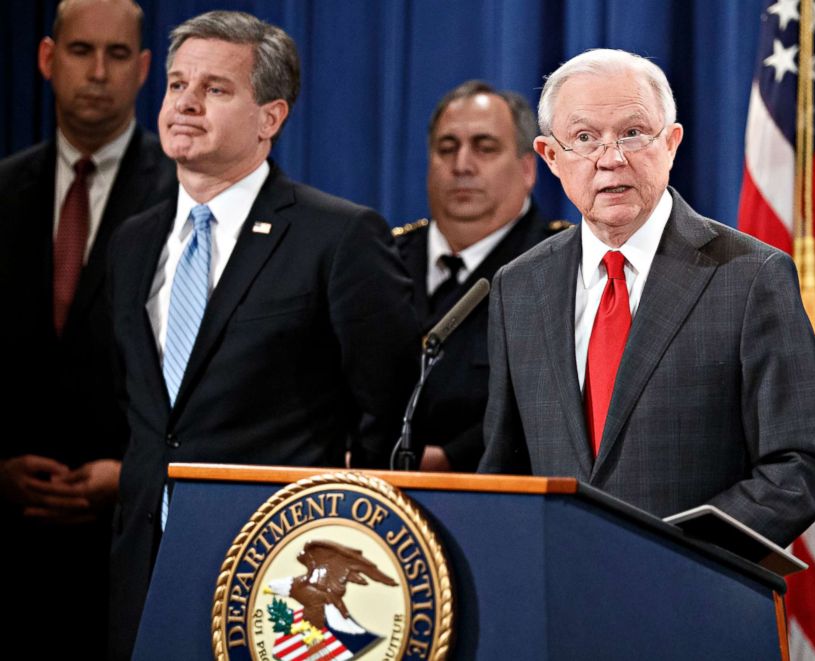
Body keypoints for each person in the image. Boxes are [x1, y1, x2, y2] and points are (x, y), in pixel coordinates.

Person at [106, 11, 420, 657]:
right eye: (175, 84)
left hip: (275, 565)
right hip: (142, 557)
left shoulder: (337, 235)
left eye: (216, 89)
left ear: (270, 117)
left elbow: (390, 402)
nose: (186, 103)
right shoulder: (133, 241)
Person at [479, 49, 815, 547]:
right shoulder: (518, 287)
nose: (611, 158)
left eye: (633, 133)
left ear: (671, 144)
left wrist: (677, 553)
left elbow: (800, 467)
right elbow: (504, 470)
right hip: (559, 599)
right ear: (550, 157)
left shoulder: (751, 277)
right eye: (585, 138)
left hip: (694, 596)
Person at [0, 0, 174, 652]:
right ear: (47, 59)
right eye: (81, 51)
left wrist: (130, 474)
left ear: (145, 69)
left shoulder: (187, 199)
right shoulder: (4, 189)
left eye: (118, 54)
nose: (98, 71)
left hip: (127, 545)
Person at [393, 80, 568, 472]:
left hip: (499, 489)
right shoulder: (386, 259)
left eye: (485, 148)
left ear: (527, 169)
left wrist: (451, 458)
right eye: (447, 149)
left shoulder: (562, 264)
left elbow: (557, 402)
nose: (462, 166)